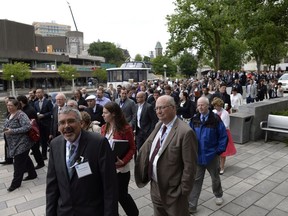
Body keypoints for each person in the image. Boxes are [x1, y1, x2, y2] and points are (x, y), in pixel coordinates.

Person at [46, 107, 118, 216]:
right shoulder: (55, 144)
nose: (66, 126)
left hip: (92, 211)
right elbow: (52, 185)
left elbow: (110, 186)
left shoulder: (98, 143)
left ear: (81, 123)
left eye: (71, 121)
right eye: (62, 123)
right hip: (64, 212)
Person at [135, 95, 198, 216]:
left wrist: (182, 192)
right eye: (157, 108)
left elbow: (190, 166)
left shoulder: (186, 132)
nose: (158, 111)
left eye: (162, 107)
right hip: (156, 188)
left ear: (173, 108)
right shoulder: (159, 125)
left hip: (174, 192)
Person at [189, 96, 228, 213]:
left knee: (215, 178)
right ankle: (192, 205)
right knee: (196, 180)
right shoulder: (194, 119)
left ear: (207, 106)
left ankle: (218, 195)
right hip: (198, 156)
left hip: (212, 155)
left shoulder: (215, 119)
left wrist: (218, 151)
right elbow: (189, 136)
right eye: (198, 105)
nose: (200, 107)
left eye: (202, 105)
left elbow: (223, 136)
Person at [101, 102, 139, 216]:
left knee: (121, 195)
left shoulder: (125, 128)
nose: (102, 115)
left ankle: (134, 213)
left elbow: (132, 148)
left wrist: (124, 161)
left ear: (113, 114)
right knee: (111, 197)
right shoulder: (104, 128)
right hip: (108, 169)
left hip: (121, 170)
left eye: (105, 113)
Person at [4, 99, 37, 192]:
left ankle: (15, 184)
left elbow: (27, 127)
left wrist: (12, 131)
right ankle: (32, 174)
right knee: (25, 158)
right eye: (8, 105)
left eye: (11, 105)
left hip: (22, 143)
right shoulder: (9, 114)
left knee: (18, 163)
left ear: (16, 106)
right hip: (14, 143)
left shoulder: (21, 115)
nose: (9, 107)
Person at [17, 95, 45, 170]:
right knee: (34, 149)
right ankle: (39, 163)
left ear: (21, 102)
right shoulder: (25, 109)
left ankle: (40, 163)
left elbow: (31, 123)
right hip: (30, 133)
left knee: (35, 149)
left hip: (32, 133)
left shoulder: (29, 110)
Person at [211, 97, 236, 174]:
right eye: (214, 106)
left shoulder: (225, 113)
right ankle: (217, 165)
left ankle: (222, 167)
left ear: (220, 105)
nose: (215, 107)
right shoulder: (213, 112)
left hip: (223, 134)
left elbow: (226, 125)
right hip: (215, 134)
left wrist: (216, 126)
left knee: (223, 153)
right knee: (216, 152)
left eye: (216, 105)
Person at [34, 89, 53, 160]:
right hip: (40, 124)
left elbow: (52, 112)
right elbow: (35, 111)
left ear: (43, 93)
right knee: (42, 140)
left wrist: (44, 115)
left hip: (47, 123)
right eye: (37, 93)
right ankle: (44, 155)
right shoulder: (35, 103)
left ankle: (53, 152)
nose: (38, 94)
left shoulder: (48, 101)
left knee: (50, 139)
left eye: (39, 92)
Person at [0, 96, 15, 165]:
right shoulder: (8, 111)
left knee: (9, 146)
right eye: (6, 103)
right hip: (7, 132)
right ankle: (8, 159)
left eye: (7, 103)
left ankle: (9, 159)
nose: (6, 105)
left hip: (11, 133)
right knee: (6, 146)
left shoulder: (16, 113)